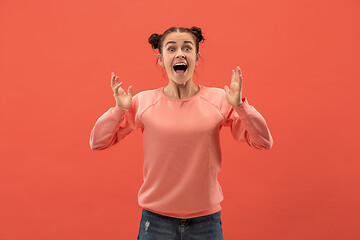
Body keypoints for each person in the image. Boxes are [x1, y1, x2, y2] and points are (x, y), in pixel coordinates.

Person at [89, 26, 273, 240]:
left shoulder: (220, 100)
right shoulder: (143, 102)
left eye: (187, 48)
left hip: (206, 222)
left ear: (196, 57)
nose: (180, 53)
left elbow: (263, 142)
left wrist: (240, 106)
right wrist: (119, 109)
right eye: (171, 49)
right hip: (156, 222)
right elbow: (98, 142)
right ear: (161, 59)